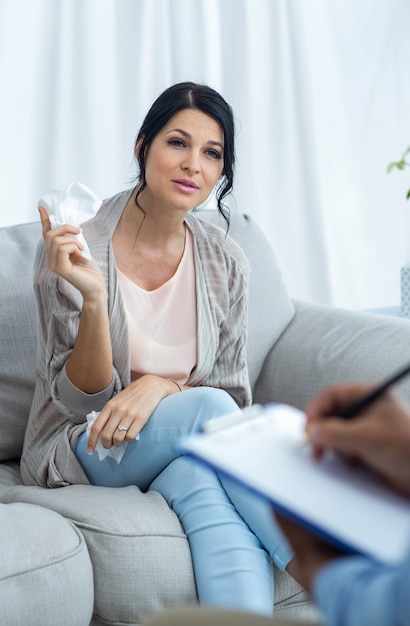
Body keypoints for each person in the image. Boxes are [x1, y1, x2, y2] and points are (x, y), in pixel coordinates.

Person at [20, 82, 294, 616]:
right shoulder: (79, 242)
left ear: (222, 173)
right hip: (82, 444)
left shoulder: (225, 261)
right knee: (208, 415)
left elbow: (232, 399)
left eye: (212, 153)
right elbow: (78, 403)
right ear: (142, 146)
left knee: (208, 491)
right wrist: (94, 297)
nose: (193, 164)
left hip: (179, 445)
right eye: (177, 142)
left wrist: (162, 386)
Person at [142, 382, 410, 626]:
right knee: (214, 406)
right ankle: (301, 561)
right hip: (121, 436)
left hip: (188, 454)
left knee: (197, 478)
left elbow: (236, 393)